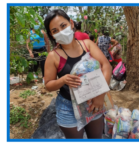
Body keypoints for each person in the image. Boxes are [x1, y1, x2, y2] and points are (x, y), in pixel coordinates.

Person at [43, 9, 112, 138]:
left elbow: (106, 66)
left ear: (71, 23)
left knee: (96, 138)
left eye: (63, 26)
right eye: (55, 30)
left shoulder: (88, 45)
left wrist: (100, 96)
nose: (61, 32)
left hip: (94, 102)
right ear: (52, 35)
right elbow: (48, 85)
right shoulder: (53, 56)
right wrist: (62, 80)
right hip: (68, 108)